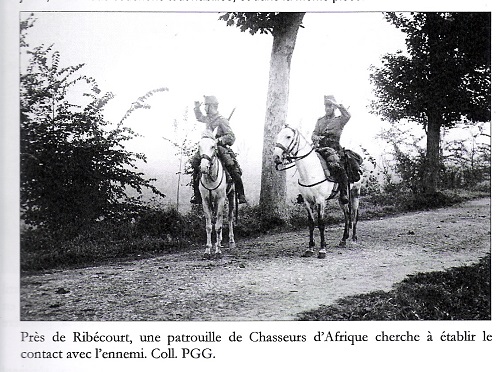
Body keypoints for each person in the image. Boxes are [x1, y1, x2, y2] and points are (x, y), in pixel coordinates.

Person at [190, 95, 247, 204]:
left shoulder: (222, 120)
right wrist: (197, 108)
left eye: (205, 105)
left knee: (232, 166)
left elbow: (231, 137)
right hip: (207, 147)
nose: (205, 108)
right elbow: (199, 117)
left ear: (211, 106)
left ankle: (241, 194)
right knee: (195, 163)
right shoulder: (208, 118)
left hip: (219, 147)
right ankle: (197, 195)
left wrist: (220, 140)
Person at [311, 95, 352, 204]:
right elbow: (314, 133)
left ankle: (343, 193)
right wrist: (316, 137)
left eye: (330, 106)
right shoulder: (320, 121)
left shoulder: (339, 120)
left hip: (334, 149)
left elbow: (348, 115)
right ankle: (308, 191)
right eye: (326, 106)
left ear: (333, 107)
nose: (327, 108)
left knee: (338, 167)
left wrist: (338, 105)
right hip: (320, 148)